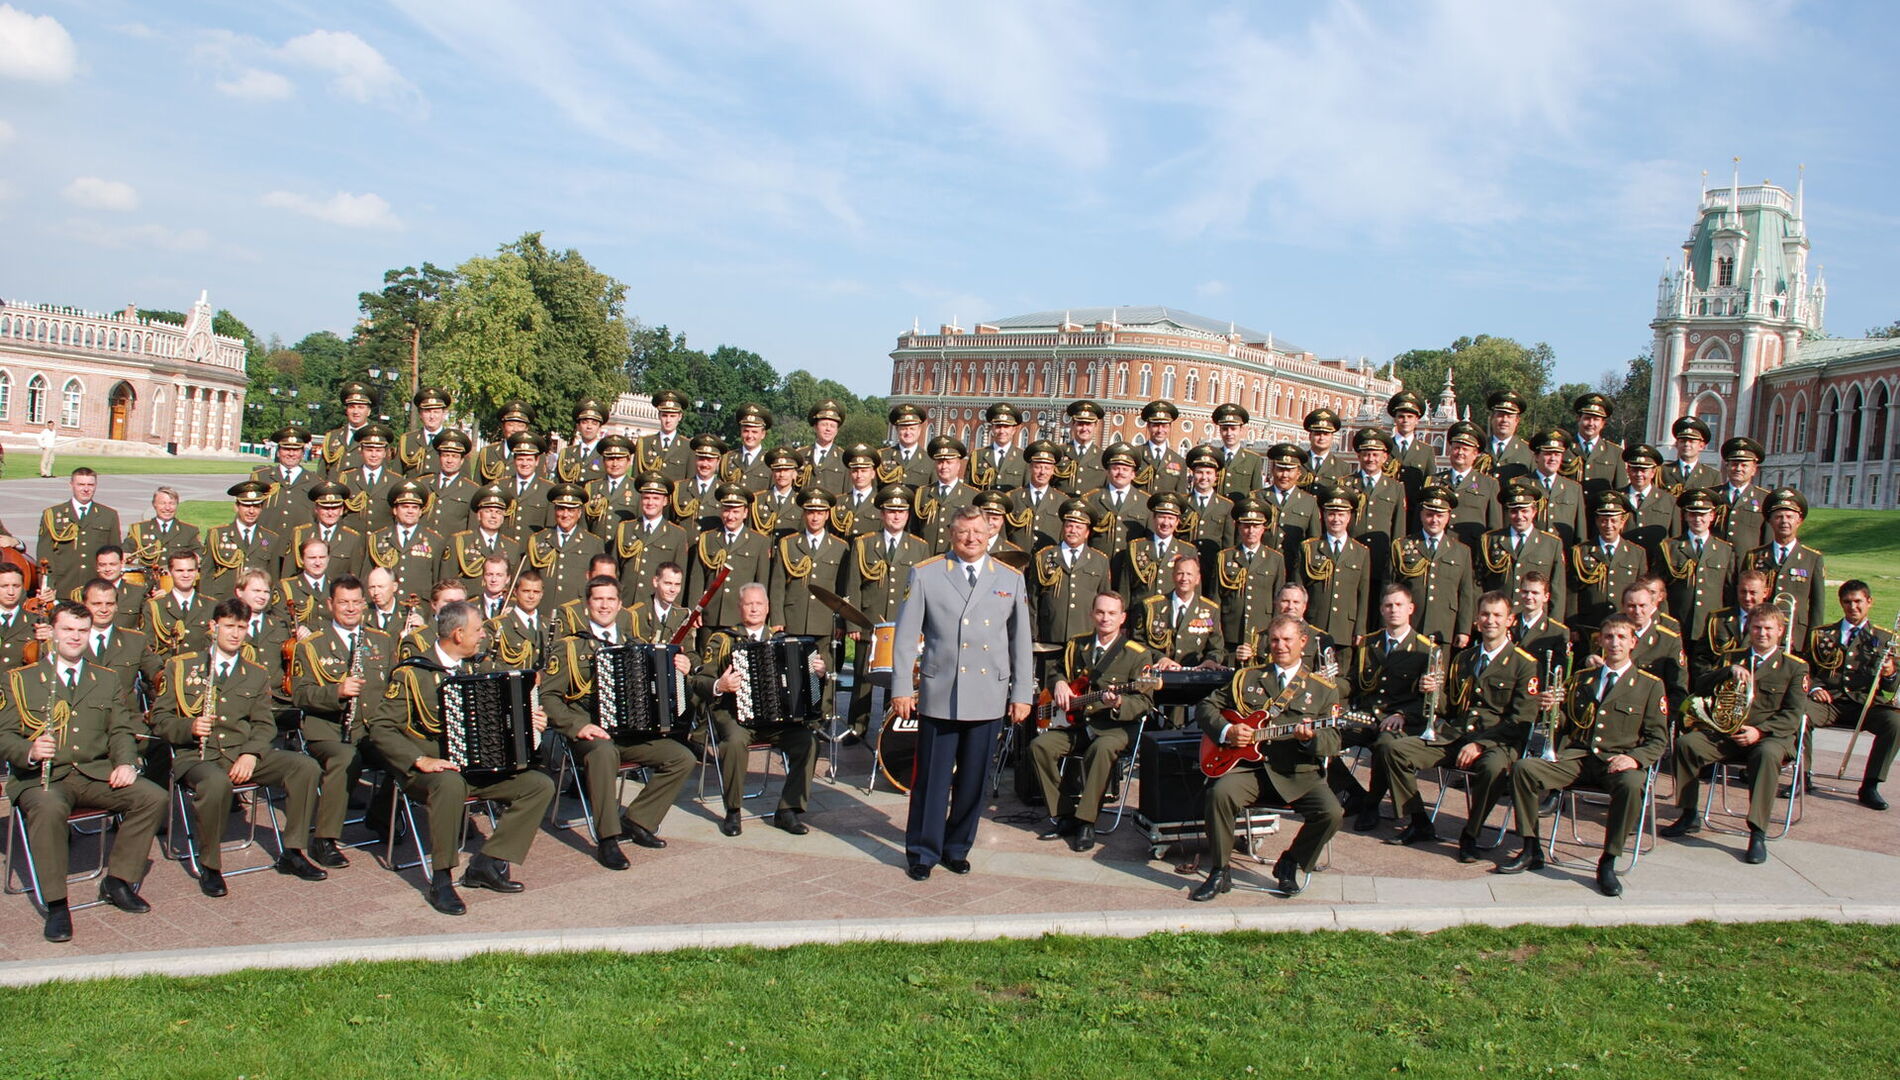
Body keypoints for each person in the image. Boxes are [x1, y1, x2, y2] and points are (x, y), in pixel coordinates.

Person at [366, 601, 555, 916]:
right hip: (428, 773)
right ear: (457, 634)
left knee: (539, 785)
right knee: (450, 783)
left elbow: (506, 709)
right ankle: (441, 879)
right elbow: (381, 728)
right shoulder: (413, 674)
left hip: (475, 767)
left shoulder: (478, 668)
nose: (483, 635)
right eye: (478, 629)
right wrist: (418, 760)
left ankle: (487, 863)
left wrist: (531, 720)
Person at [1, 600, 166, 942]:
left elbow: (120, 729)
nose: (75, 637)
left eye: (82, 631)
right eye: (67, 630)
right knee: (48, 808)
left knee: (152, 797)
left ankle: (118, 881)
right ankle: (57, 903)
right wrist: (28, 751)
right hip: (43, 777)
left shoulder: (104, 679)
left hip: (93, 773)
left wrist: (125, 762)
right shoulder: (21, 680)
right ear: (52, 633)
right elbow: (4, 736)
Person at [890, 506, 1034, 880]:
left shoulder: (1010, 578)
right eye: (963, 532)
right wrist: (903, 687)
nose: (971, 539)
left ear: (991, 534)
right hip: (942, 690)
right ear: (951, 533)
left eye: (978, 532)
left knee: (974, 781)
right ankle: (922, 850)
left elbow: (1021, 642)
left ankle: (957, 847)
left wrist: (1022, 693)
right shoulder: (926, 574)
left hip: (988, 692)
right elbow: (905, 638)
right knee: (932, 781)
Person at [152, 598, 328, 897]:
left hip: (240, 752)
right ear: (213, 626)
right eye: (229, 626)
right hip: (198, 755)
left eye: (242, 627)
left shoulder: (255, 673)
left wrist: (251, 753)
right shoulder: (181, 667)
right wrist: (188, 727)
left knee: (305, 766)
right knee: (215, 782)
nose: (235, 634)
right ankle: (211, 865)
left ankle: (293, 851)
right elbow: (160, 720)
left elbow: (264, 724)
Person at [1497, 614, 1666, 897]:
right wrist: (1551, 711)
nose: (1615, 643)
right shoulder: (1582, 679)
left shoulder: (1650, 685)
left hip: (1618, 760)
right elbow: (1568, 722)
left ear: (1633, 642)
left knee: (1632, 785)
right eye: (1609, 637)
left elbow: (1658, 739)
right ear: (1601, 641)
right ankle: (1530, 848)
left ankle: (1608, 861)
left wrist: (1635, 759)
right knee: (1525, 768)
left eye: (1622, 637)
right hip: (1577, 757)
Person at [542, 575, 696, 868]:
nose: (604, 605)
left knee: (682, 758)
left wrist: (680, 671)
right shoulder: (570, 647)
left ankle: (639, 820)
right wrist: (577, 726)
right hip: (590, 734)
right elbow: (547, 697)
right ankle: (608, 838)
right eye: (598, 599)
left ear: (620, 605)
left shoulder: (635, 644)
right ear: (588, 604)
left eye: (610, 599)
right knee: (603, 752)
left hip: (630, 733)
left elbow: (666, 689)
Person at [1371, 591, 1538, 858]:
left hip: (1498, 741)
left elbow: (1521, 720)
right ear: (1476, 620)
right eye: (1485, 614)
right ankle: (1419, 821)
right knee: (1394, 750)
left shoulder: (1524, 665)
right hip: (1457, 734)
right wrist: (1434, 693)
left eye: (1497, 615)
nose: (1490, 621)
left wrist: (1480, 745)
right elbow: (1451, 708)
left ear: (1511, 621)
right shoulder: (1464, 659)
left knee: (1492, 767)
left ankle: (1471, 833)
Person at [1190, 614, 1344, 900]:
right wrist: (1226, 731)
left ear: (1303, 642)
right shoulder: (1246, 677)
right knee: (1219, 793)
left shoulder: (1323, 690)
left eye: (1287, 640)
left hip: (1297, 773)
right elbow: (1206, 706)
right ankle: (1220, 871)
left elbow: (1333, 740)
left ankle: (1291, 862)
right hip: (1250, 769)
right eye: (1274, 640)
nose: (1280, 646)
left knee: (1332, 813)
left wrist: (1311, 739)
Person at [1664, 603, 1808, 864]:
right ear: (1748, 629)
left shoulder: (1794, 667)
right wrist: (1725, 671)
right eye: (1756, 627)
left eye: (1768, 628)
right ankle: (1688, 813)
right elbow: (1700, 687)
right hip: (1727, 734)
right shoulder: (1732, 657)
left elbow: (1794, 715)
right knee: (1687, 744)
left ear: (1780, 631)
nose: (1762, 633)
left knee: (1765, 755)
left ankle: (1757, 831)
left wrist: (1760, 732)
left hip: (1770, 738)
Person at [693, 583, 824, 837]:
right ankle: (733, 810)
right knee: (733, 743)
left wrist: (816, 674)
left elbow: (808, 688)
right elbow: (699, 681)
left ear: (768, 608)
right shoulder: (722, 640)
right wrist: (720, 684)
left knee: (808, 742)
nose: (754, 608)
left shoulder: (784, 641)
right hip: (735, 716)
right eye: (749, 604)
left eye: (759, 604)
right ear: (740, 608)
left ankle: (788, 810)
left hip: (777, 720)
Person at [1030, 592, 1156, 852]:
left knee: (1101, 749)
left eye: (1112, 613)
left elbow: (1144, 703)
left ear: (1122, 618)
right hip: (1076, 724)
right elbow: (1055, 672)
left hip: (1114, 728)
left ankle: (1086, 821)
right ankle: (1064, 814)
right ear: (1092, 614)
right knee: (1039, 747)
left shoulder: (1138, 655)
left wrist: (1120, 703)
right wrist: (1060, 683)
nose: (1105, 618)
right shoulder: (1077, 645)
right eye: (1100, 612)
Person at [289, 575, 394, 868]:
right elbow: (300, 694)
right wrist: (337, 691)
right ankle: (324, 839)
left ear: (364, 603)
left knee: (404, 755)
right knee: (346, 757)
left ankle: (380, 815)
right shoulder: (311, 645)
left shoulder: (381, 641)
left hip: (369, 728)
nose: (350, 609)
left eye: (355, 602)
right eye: (343, 602)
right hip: (328, 732)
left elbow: (391, 690)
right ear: (330, 604)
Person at [840, 484, 931, 742]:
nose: (896, 516)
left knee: (898, 678)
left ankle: (888, 728)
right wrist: (853, 625)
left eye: (901, 512)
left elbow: (922, 588)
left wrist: (921, 626)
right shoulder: (864, 543)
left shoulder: (919, 547)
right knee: (862, 677)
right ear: (881, 514)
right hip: (869, 621)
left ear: (908, 515)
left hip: (904, 624)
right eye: (891, 511)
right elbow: (853, 585)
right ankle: (857, 727)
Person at [1804, 580, 1900, 810]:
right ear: (1841, 603)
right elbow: (1804, 671)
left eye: (1858, 601)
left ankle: (1870, 785)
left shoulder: (1885, 639)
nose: (1853, 607)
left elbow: (1892, 686)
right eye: (1847, 602)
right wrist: (1815, 688)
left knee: (1895, 722)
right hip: (1829, 702)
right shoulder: (1821, 634)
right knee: (1799, 714)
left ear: (1869, 602)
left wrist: (1890, 672)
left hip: (1865, 705)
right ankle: (1802, 777)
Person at [1347, 583, 1437, 829]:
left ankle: (1371, 805)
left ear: (1410, 608)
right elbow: (1354, 682)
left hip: (1400, 720)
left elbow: (1432, 700)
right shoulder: (1368, 643)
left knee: (1385, 745)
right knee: (1324, 735)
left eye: (1399, 605)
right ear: (1381, 610)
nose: (1393, 610)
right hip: (1367, 715)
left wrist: (1403, 714)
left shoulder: (1426, 649)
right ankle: (1354, 792)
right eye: (1388, 605)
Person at [38, 468, 122, 600]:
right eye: (81, 484)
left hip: (96, 590)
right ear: (71, 485)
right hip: (62, 588)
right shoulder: (53, 514)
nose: (86, 489)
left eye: (90, 485)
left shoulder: (108, 515)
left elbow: (115, 555)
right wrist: (48, 587)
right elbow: (45, 556)